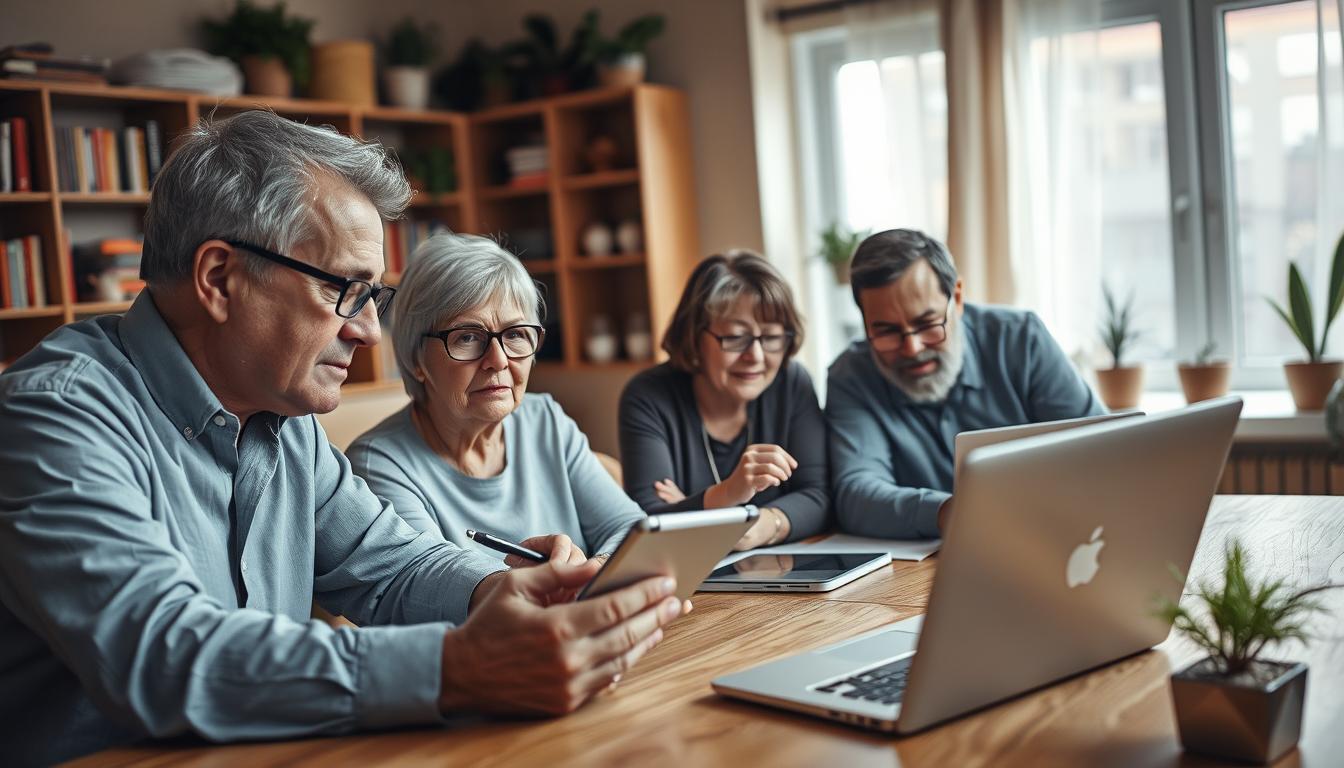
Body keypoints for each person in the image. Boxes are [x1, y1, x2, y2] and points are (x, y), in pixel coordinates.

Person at [0, 110, 684, 767]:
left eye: (372, 299)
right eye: (344, 292)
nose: (369, 333)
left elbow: (392, 565)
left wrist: (501, 592)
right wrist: (460, 669)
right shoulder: (53, 418)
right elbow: (163, 656)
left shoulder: (283, 422)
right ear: (219, 277)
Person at [346, 233, 644, 565]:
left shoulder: (545, 419)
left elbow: (631, 529)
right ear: (417, 359)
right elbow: (433, 583)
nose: (498, 360)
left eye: (515, 334)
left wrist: (595, 571)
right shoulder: (380, 466)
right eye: (467, 337)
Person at [827, 228, 1104, 539]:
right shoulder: (850, 376)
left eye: (927, 324)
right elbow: (856, 494)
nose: (913, 348)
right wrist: (947, 511)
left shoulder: (1021, 340)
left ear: (956, 298)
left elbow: (1102, 447)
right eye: (887, 331)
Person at [619, 251, 829, 550]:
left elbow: (819, 497)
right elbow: (649, 523)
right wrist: (728, 493)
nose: (755, 356)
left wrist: (753, 525)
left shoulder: (792, 383)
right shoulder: (649, 397)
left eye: (770, 338)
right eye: (735, 338)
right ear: (694, 337)